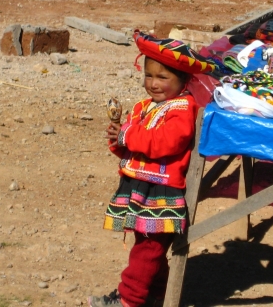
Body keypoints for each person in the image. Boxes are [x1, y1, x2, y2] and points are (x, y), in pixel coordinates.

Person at [87, 30, 215, 307]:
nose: (153, 83)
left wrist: (127, 136)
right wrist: (118, 139)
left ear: (183, 80)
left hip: (162, 191)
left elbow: (164, 143)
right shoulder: (147, 107)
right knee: (149, 249)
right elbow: (137, 146)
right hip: (141, 187)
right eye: (149, 75)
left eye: (162, 77)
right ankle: (158, 295)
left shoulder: (182, 109)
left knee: (147, 250)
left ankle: (128, 301)